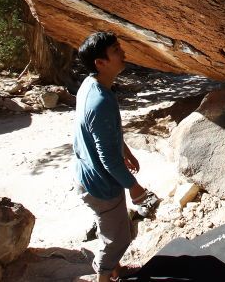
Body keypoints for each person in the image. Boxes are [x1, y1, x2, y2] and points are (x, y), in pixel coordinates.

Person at [72, 31, 158, 282]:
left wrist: (126, 150)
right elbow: (107, 159)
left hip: (88, 172)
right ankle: (103, 275)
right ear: (101, 63)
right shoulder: (99, 101)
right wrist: (134, 187)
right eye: (116, 51)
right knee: (119, 238)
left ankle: (116, 271)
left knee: (111, 229)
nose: (123, 53)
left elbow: (104, 134)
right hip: (100, 183)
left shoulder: (91, 85)